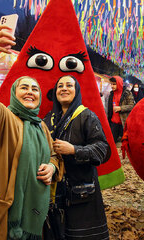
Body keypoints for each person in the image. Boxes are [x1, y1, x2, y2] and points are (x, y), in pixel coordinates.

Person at [0, 24, 63, 239]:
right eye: (24, 87)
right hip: (6, 211)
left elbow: (54, 155)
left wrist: (51, 167)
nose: (30, 92)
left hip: (37, 213)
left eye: (35, 89)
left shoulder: (41, 126)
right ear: (13, 93)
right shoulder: (3, 119)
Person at [44, 75, 110, 240]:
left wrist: (74, 150)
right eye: (60, 86)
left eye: (69, 85)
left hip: (82, 189)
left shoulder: (87, 116)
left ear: (76, 91)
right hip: (55, 188)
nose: (64, 89)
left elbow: (102, 150)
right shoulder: (48, 119)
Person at [107, 76, 134, 142]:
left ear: (118, 83)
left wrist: (121, 108)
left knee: (125, 142)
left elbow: (132, 106)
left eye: (114, 84)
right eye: (111, 84)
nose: (112, 86)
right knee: (112, 142)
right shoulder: (111, 94)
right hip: (113, 122)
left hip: (123, 122)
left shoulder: (127, 93)